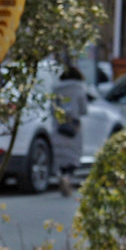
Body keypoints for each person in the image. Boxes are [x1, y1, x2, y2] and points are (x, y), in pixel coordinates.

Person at [53, 65, 87, 197]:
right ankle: (68, 177)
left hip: (58, 126)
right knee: (73, 156)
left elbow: (52, 109)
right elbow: (84, 110)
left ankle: (61, 174)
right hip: (74, 127)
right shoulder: (79, 89)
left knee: (60, 154)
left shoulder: (56, 89)